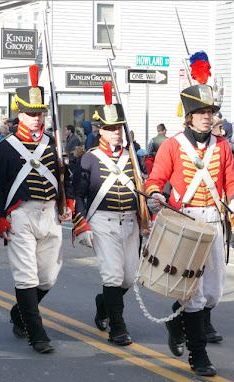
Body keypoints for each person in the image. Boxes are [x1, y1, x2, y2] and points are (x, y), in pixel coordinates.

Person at [145, 53, 234, 376]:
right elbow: (155, 179)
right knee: (194, 294)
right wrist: (155, 195)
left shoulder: (223, 146)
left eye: (210, 111)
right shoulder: (172, 146)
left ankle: (177, 323)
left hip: (215, 221)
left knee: (213, 292)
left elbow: (231, 179)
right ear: (188, 116)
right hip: (185, 222)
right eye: (201, 112)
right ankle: (198, 356)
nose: (207, 117)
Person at [0, 65, 73, 354]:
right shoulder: (5, 147)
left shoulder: (53, 144)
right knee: (26, 275)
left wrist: (68, 201)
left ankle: (19, 313)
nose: (37, 119)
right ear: (20, 113)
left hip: (49, 214)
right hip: (20, 215)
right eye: (31, 113)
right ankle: (36, 332)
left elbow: (65, 180)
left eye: (40, 113)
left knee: (48, 277)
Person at [71, 83, 145, 346]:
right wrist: (81, 226)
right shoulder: (89, 159)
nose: (117, 133)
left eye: (119, 128)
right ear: (101, 129)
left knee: (128, 277)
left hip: (130, 222)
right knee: (112, 275)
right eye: (111, 128)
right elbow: (76, 195)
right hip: (102, 220)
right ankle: (118, 327)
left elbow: (142, 190)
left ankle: (104, 304)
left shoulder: (133, 157)